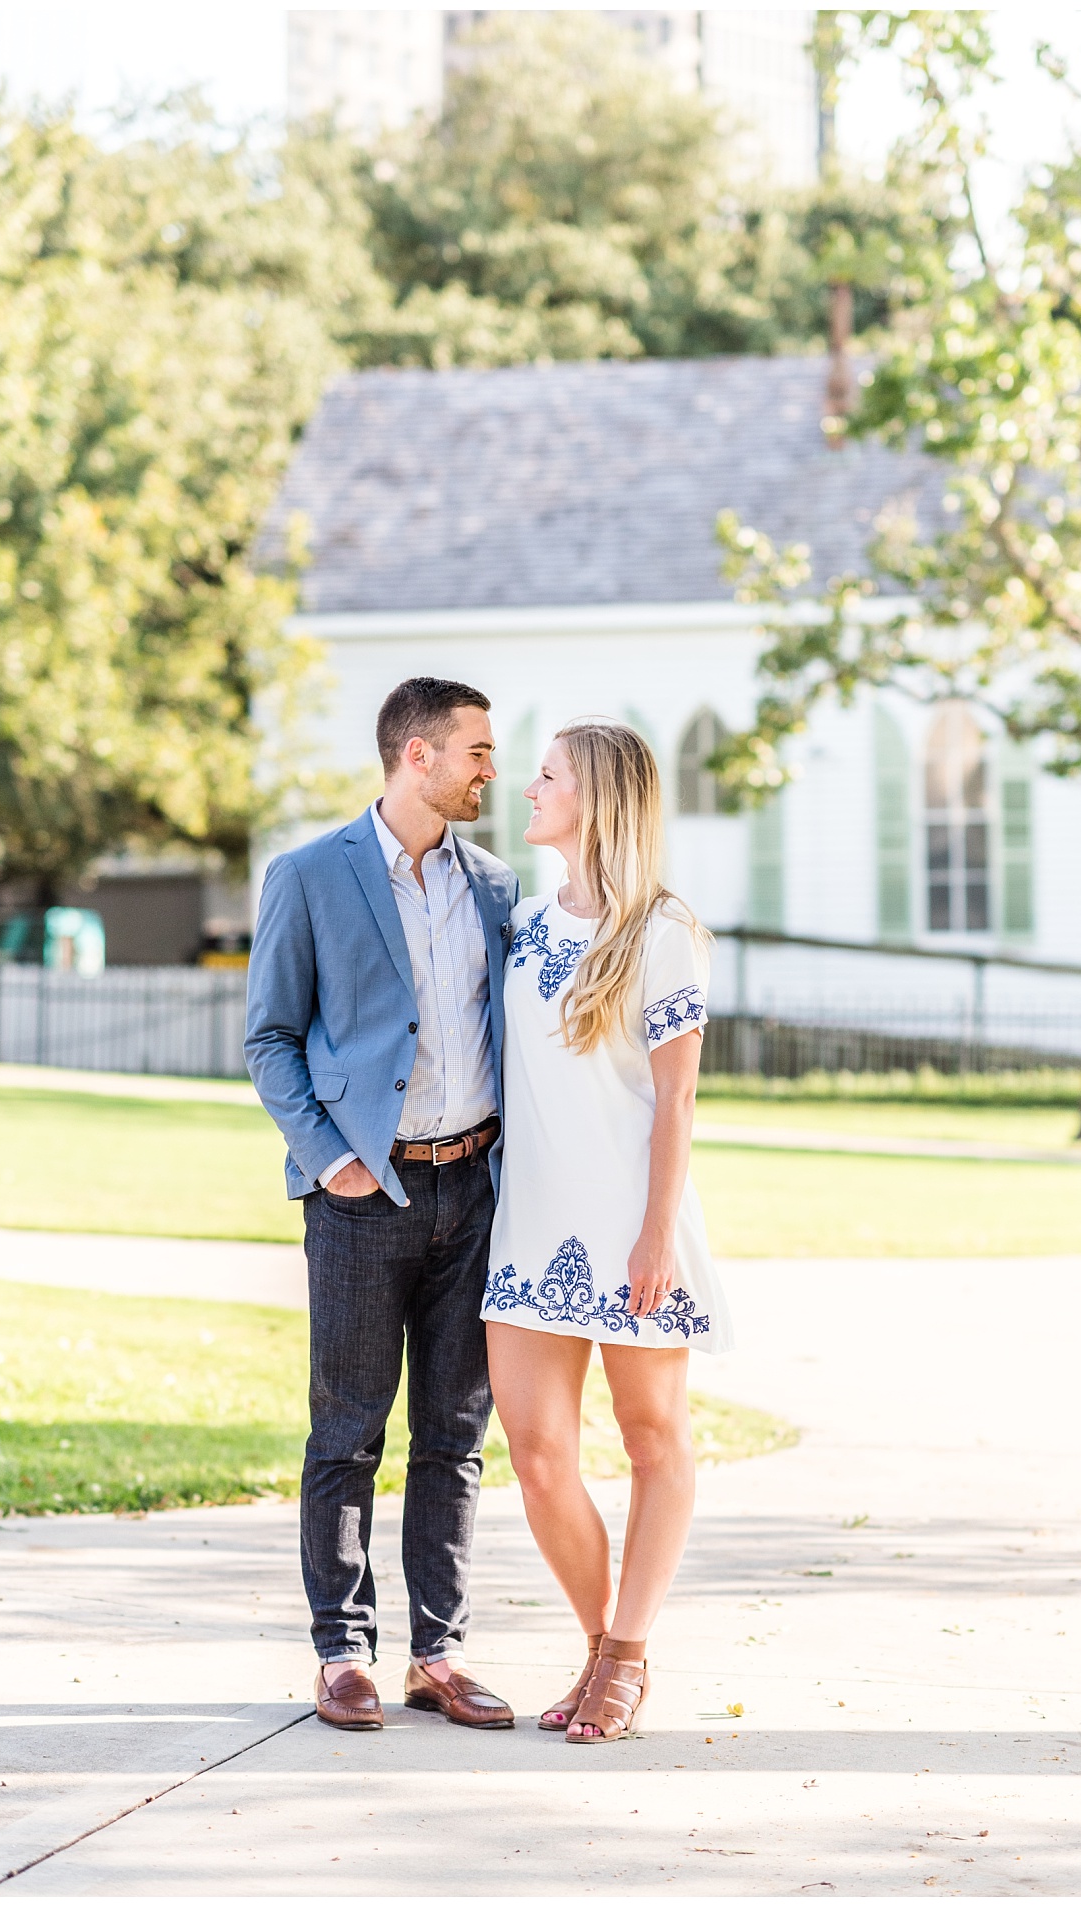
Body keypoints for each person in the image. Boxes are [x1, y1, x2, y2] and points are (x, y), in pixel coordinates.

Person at [245, 677, 521, 1733]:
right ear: (416, 754)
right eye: (477, 750)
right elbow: (270, 1035)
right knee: (348, 1430)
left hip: (475, 1187)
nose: (490, 767)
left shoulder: (495, 886)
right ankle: (341, 1650)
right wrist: (330, 1158)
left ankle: (438, 1653)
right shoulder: (310, 876)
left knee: (454, 1434)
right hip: (366, 1193)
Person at [482, 718, 733, 1744]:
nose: (527, 788)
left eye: (546, 776)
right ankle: (603, 1647)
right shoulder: (524, 922)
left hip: (635, 1225)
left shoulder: (662, 929)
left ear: (594, 798)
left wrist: (655, 1234)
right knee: (539, 1455)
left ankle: (624, 1658)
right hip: (529, 1229)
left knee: (650, 1436)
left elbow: (675, 1103)